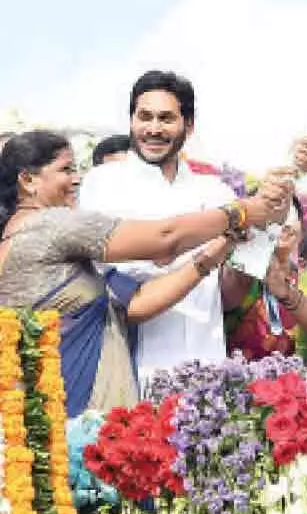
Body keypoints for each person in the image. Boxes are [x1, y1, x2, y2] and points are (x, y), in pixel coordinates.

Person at [0, 130, 291, 416]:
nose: (77, 179)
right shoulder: (52, 225)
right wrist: (239, 212)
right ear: (27, 181)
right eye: (66, 169)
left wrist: (215, 252)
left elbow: (137, 302)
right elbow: (165, 240)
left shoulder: (13, 235)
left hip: (42, 415)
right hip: (75, 414)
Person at [78, 69, 307, 385]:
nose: (153, 129)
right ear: (131, 121)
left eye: (166, 118)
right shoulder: (103, 183)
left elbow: (230, 291)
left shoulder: (213, 192)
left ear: (188, 125)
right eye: (145, 117)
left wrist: (288, 179)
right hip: (127, 367)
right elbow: (158, 248)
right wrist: (239, 219)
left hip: (204, 370)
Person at [223, 196, 307, 373]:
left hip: (304, 394)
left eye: (288, 213)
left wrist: (287, 294)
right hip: (241, 393)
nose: (282, 222)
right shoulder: (239, 276)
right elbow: (227, 289)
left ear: (301, 228)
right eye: (272, 213)